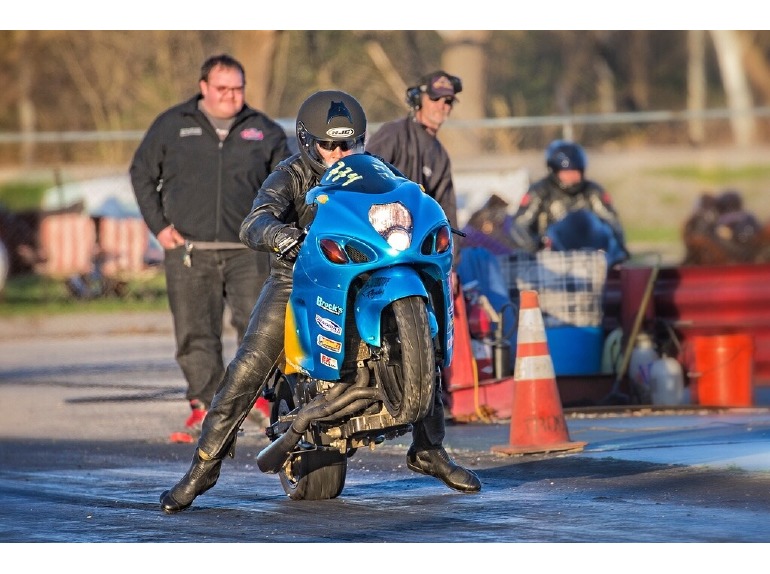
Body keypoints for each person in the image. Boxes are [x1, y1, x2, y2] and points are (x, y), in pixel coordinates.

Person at [159, 89, 481, 514]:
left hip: (365, 272)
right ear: (308, 142)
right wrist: (280, 235)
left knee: (421, 338)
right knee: (249, 365)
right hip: (298, 281)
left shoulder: (377, 171)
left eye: (348, 143)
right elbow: (254, 220)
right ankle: (205, 465)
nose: (339, 151)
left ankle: (428, 448)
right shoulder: (290, 174)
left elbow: (406, 194)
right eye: (329, 144)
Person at [129, 54, 291, 443]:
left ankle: (260, 403)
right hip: (189, 250)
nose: (231, 96)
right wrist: (160, 228)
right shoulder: (172, 125)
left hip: (248, 250)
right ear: (204, 88)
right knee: (195, 332)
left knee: (259, 329)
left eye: (238, 89)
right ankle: (204, 407)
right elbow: (141, 173)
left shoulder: (263, 130)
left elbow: (288, 183)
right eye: (222, 89)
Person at [366, 70, 461, 234]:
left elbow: (447, 211)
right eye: (435, 98)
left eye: (448, 101)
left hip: (416, 240)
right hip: (380, 233)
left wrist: (453, 255)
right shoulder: (393, 133)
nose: (442, 106)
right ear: (418, 99)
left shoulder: (441, 157)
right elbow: (364, 175)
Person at [511, 139, 630, 268]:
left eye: (575, 172)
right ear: (554, 171)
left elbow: (611, 222)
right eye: (566, 173)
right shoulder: (538, 192)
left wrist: (619, 250)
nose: (571, 177)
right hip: (551, 258)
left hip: (592, 257)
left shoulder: (593, 191)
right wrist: (534, 247)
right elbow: (520, 225)